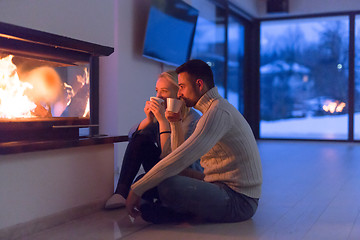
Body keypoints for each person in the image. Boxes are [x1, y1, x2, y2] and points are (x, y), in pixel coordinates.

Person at [126, 59, 262, 224]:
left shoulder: (217, 113)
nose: (178, 94)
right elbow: (179, 161)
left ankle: (183, 214)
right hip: (218, 184)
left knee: (168, 186)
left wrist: (136, 189)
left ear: (199, 84)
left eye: (182, 87)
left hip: (239, 200)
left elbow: (180, 160)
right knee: (150, 179)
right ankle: (176, 210)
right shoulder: (213, 109)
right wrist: (175, 123)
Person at [105, 70, 201, 209]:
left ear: (178, 94)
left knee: (140, 182)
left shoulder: (192, 120)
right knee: (141, 138)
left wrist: (163, 121)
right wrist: (148, 120)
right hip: (164, 169)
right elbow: (133, 137)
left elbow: (170, 158)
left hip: (183, 173)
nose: (158, 96)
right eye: (157, 91)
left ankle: (158, 202)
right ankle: (121, 193)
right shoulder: (162, 113)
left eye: (164, 91)